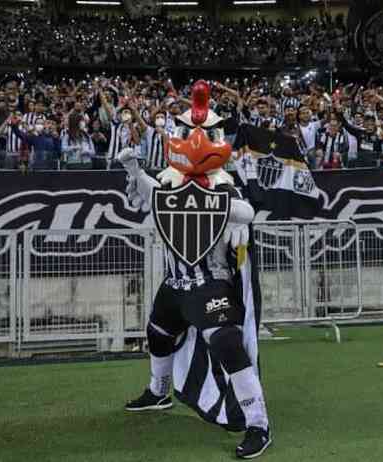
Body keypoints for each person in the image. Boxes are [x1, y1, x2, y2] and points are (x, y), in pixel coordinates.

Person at [122, 81, 271, 460]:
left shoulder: (227, 190)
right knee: (157, 333)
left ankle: (258, 423)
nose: (195, 141)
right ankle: (158, 392)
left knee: (227, 343)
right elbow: (153, 196)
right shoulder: (169, 184)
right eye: (188, 132)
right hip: (175, 281)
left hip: (211, 282)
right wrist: (133, 169)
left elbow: (244, 211)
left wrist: (239, 214)